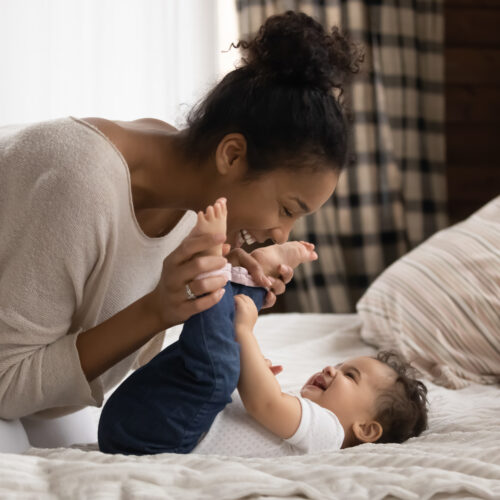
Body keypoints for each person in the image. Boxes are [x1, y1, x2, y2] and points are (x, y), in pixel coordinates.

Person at [0, 11, 362, 451]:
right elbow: (6, 384)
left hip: (37, 404)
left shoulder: (189, 193)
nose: (280, 235)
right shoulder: (81, 180)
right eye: (286, 209)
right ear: (231, 155)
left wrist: (220, 296)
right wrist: (158, 309)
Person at [98, 198, 429, 457]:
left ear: (366, 430)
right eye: (342, 366)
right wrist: (252, 364)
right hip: (148, 423)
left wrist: (245, 335)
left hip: (163, 435)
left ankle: (211, 266)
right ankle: (253, 277)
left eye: (349, 376)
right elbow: (259, 403)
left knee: (221, 364)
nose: (332, 368)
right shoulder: (308, 421)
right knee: (211, 352)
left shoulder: (328, 432)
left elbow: (263, 404)